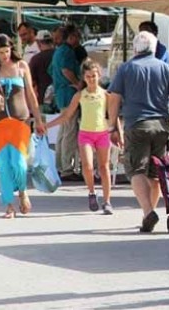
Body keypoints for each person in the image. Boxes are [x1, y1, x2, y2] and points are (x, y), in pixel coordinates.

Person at [108, 31, 169, 232]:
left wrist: (112, 127)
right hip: (161, 126)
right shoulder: (164, 67)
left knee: (136, 170)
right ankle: (148, 214)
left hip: (136, 125)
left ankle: (148, 211)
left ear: (135, 48)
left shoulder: (126, 69)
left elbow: (114, 98)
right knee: (155, 172)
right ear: (153, 48)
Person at [46, 60, 119, 214]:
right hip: (85, 133)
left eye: (94, 76)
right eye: (88, 76)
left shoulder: (106, 95)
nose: (91, 79)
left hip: (102, 133)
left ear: (99, 76)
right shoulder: (80, 95)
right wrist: (46, 126)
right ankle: (92, 192)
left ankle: (107, 201)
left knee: (104, 167)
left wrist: (119, 134)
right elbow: (66, 116)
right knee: (87, 166)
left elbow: (114, 116)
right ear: (84, 78)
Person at [0, 34, 46, 218]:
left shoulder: (21, 66)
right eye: (0, 52)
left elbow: (31, 94)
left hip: (20, 121)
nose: (5, 55)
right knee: (3, 164)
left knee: (19, 163)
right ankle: (9, 205)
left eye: (7, 51)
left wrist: (38, 119)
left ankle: (22, 191)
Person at [50, 25, 82, 180]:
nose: (79, 40)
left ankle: (60, 165)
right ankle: (67, 169)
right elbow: (66, 70)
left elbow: (52, 70)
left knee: (63, 131)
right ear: (71, 36)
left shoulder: (58, 51)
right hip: (69, 94)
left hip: (61, 93)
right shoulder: (68, 52)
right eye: (77, 36)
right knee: (69, 131)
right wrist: (77, 83)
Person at [28, 30, 55, 107]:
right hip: (60, 97)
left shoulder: (35, 59)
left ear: (38, 43)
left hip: (43, 99)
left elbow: (31, 81)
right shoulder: (59, 55)